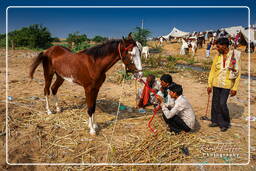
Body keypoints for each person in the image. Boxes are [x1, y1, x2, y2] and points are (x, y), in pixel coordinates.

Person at [207, 37, 241, 132]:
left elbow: (238, 73)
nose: (217, 48)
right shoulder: (217, 56)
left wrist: (235, 87)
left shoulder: (235, 55)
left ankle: (225, 123)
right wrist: (209, 84)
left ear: (225, 46)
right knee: (215, 103)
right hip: (216, 83)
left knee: (222, 104)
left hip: (227, 84)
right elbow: (212, 71)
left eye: (218, 46)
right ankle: (215, 121)